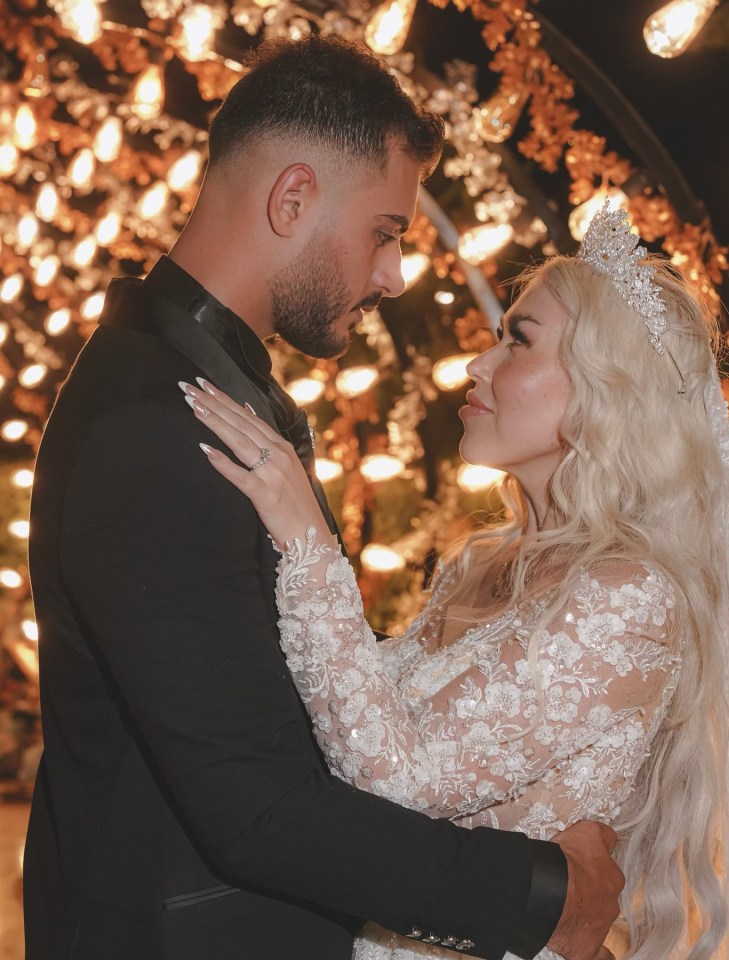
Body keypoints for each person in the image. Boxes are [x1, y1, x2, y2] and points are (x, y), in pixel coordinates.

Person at [25, 35, 623, 960]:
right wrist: (544, 895)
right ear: (293, 197)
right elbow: (259, 807)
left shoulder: (195, 386)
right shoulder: (151, 425)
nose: (391, 276)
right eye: (384, 232)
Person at [183, 203, 729, 960]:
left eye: (518, 342)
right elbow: (345, 722)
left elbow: (397, 778)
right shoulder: (482, 562)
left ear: (606, 390)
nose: (477, 365)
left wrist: (307, 540)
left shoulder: (630, 598)